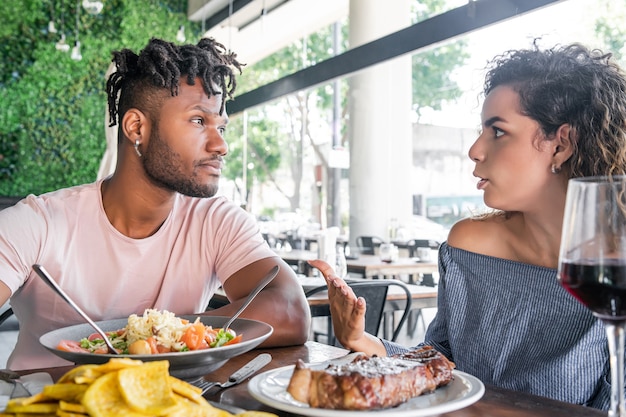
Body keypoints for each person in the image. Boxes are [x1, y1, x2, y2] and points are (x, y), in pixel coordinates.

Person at [310, 42, 626, 411]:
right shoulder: (469, 244)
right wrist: (365, 341)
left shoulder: (611, 270)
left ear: (561, 145)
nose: (475, 149)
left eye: (498, 131)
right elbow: (441, 359)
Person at [0, 37, 311, 370]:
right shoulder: (38, 223)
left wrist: (149, 336)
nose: (221, 145)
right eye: (198, 121)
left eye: (221, 127)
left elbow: (291, 310)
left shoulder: (216, 221)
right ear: (137, 127)